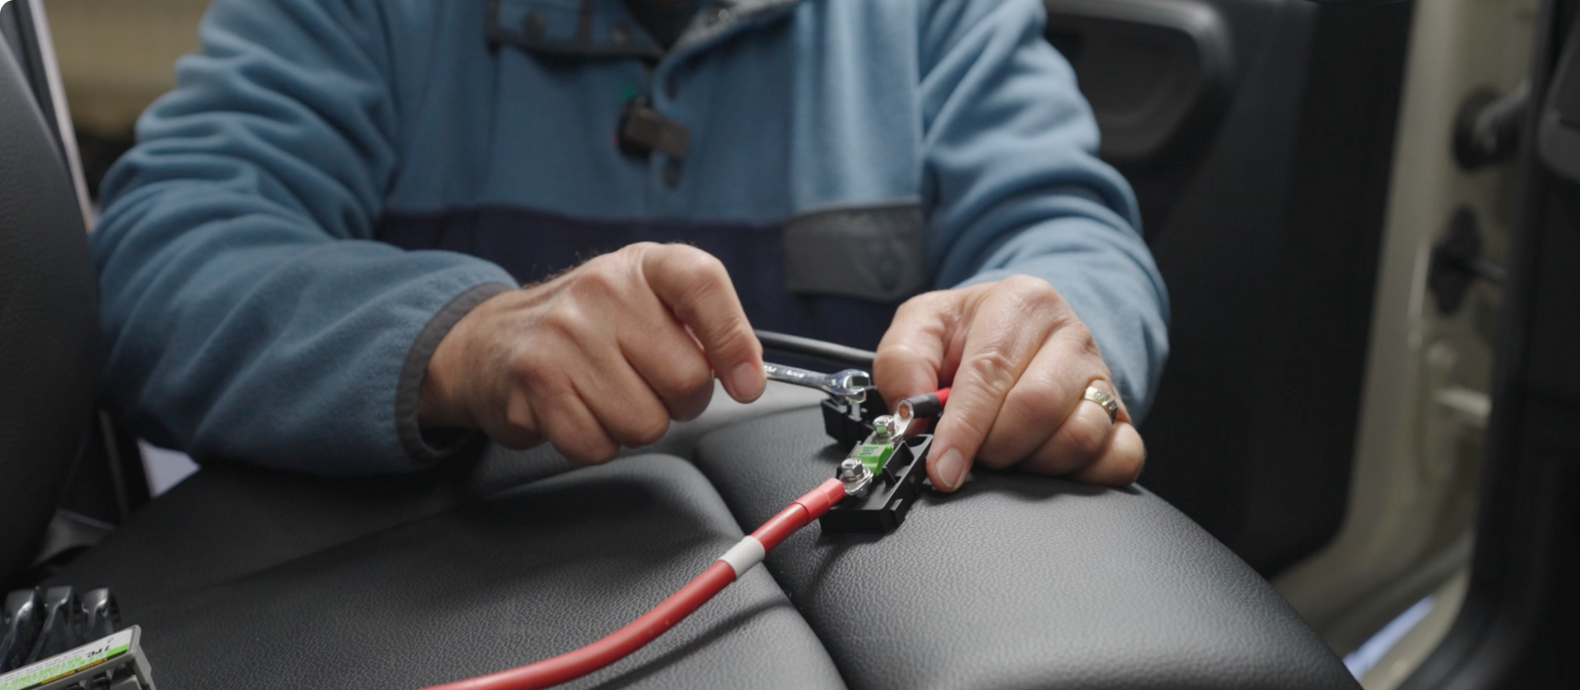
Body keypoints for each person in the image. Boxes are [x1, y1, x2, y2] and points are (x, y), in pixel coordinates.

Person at [92, 0, 1169, 493]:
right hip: (444, 603)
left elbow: (1073, 238)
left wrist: (1044, 337)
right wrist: (459, 341)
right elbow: (156, 263)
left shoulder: (933, 16)